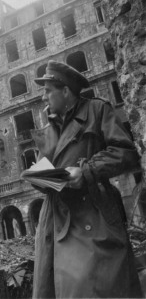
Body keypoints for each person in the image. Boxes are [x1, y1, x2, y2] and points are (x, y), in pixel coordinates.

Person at [31, 60, 142, 298]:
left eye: (48, 91)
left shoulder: (97, 110)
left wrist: (87, 171)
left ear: (65, 90)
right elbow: (42, 170)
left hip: (92, 212)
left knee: (94, 286)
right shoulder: (50, 128)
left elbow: (126, 152)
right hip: (54, 218)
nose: (43, 98)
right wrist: (39, 177)